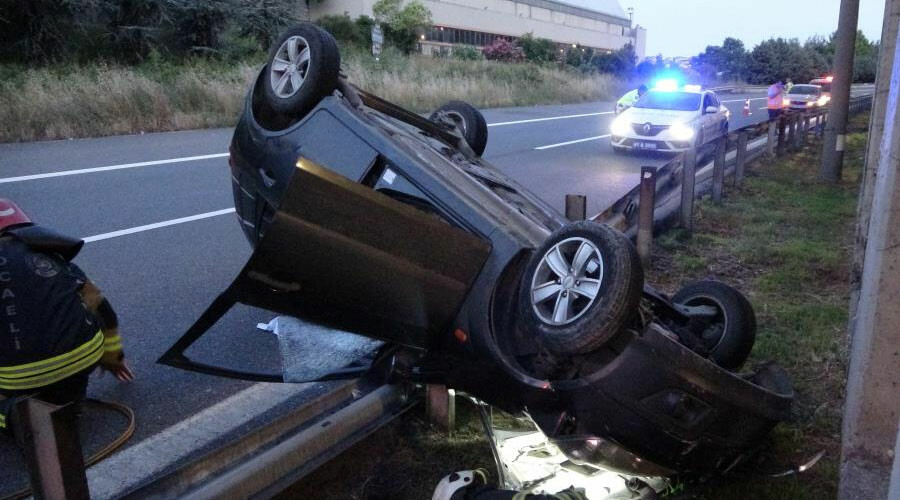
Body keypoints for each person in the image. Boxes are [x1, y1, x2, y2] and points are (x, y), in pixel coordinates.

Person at [0, 199, 133, 434]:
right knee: (65, 388)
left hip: (15, 378)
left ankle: (11, 416)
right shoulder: (49, 253)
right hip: (81, 359)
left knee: (16, 394)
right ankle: (69, 400)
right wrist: (113, 357)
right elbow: (102, 308)